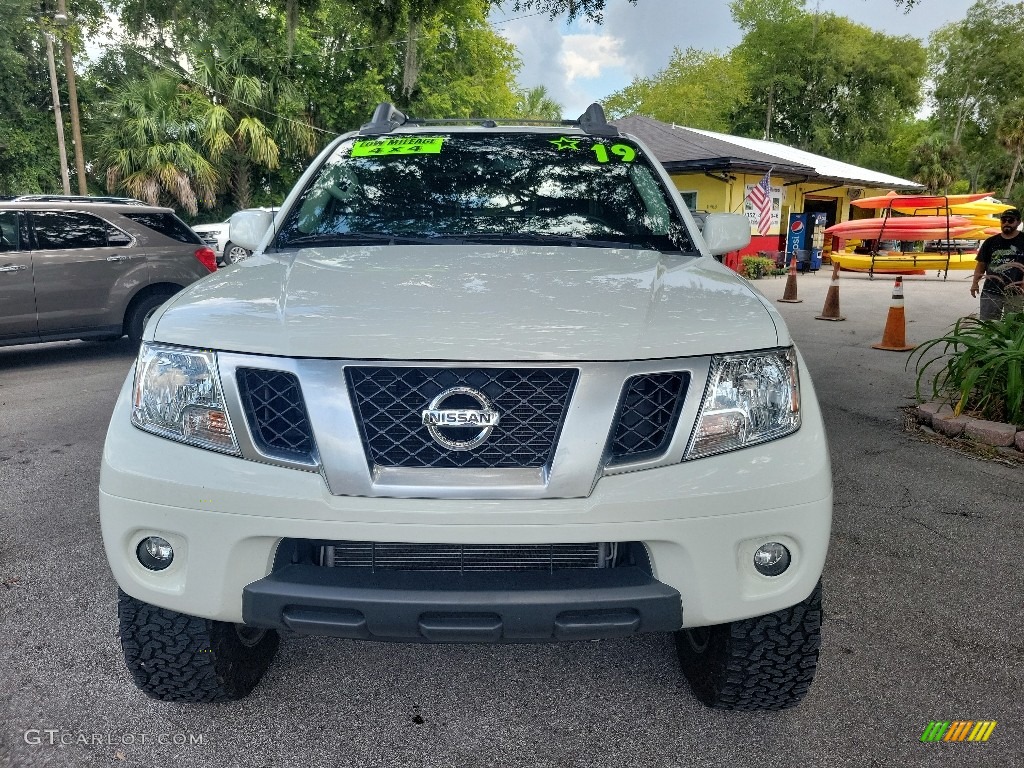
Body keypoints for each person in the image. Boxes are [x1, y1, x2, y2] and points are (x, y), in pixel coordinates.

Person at [971, 207, 1024, 320]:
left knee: (1014, 326)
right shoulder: (990, 242)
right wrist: (975, 283)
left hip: (1016, 293)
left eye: (1010, 220)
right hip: (991, 291)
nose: (1006, 223)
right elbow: (981, 265)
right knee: (988, 325)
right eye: (1004, 220)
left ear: (1019, 222)